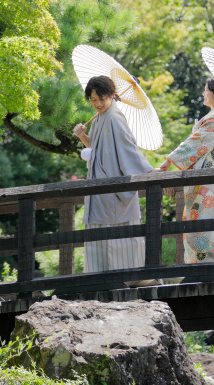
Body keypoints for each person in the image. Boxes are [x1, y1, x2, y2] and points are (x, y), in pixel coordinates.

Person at [72, 75, 157, 278]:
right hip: (100, 185)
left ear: (111, 95)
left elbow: (128, 147)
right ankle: (102, 279)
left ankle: (122, 279)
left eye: (101, 98)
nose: (98, 104)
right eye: (93, 100)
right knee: (103, 236)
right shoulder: (102, 117)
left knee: (114, 235)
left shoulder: (114, 117)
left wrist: (147, 170)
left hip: (111, 186)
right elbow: (96, 148)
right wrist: (82, 136)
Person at [158, 76, 214, 262]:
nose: (203, 93)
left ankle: (206, 269)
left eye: (206, 90)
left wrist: (167, 162)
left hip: (208, 185)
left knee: (205, 227)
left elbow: (193, 144)